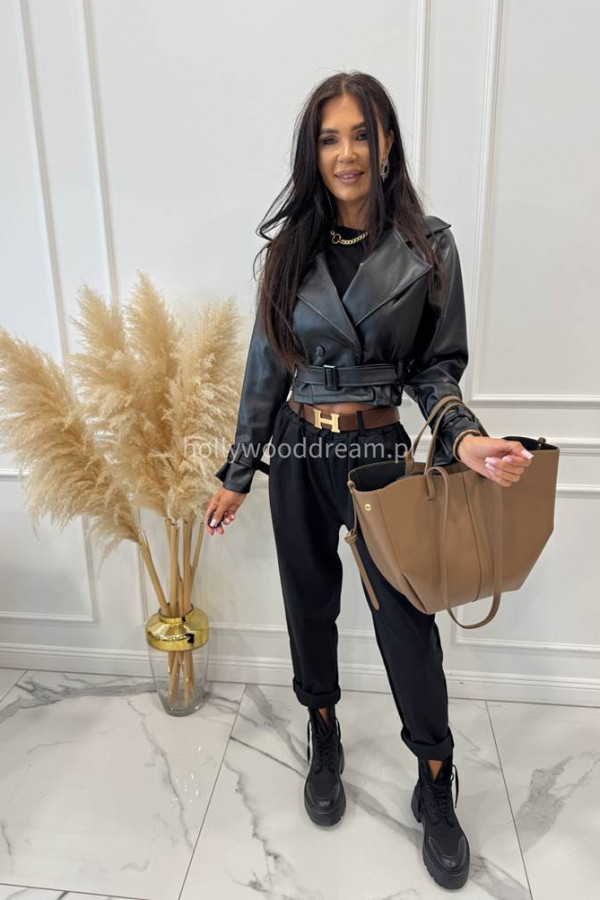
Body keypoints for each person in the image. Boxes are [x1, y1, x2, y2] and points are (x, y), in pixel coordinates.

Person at [204, 72, 532, 891]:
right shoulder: (289, 252)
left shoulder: (429, 246)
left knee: (406, 622)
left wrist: (464, 439)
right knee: (308, 601)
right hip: (298, 450)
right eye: (329, 138)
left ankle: (435, 779)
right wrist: (240, 471)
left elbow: (437, 368)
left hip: (378, 455)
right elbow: (264, 370)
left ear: (387, 144)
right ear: (312, 152)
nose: (346, 152)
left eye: (361, 134)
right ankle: (323, 730)